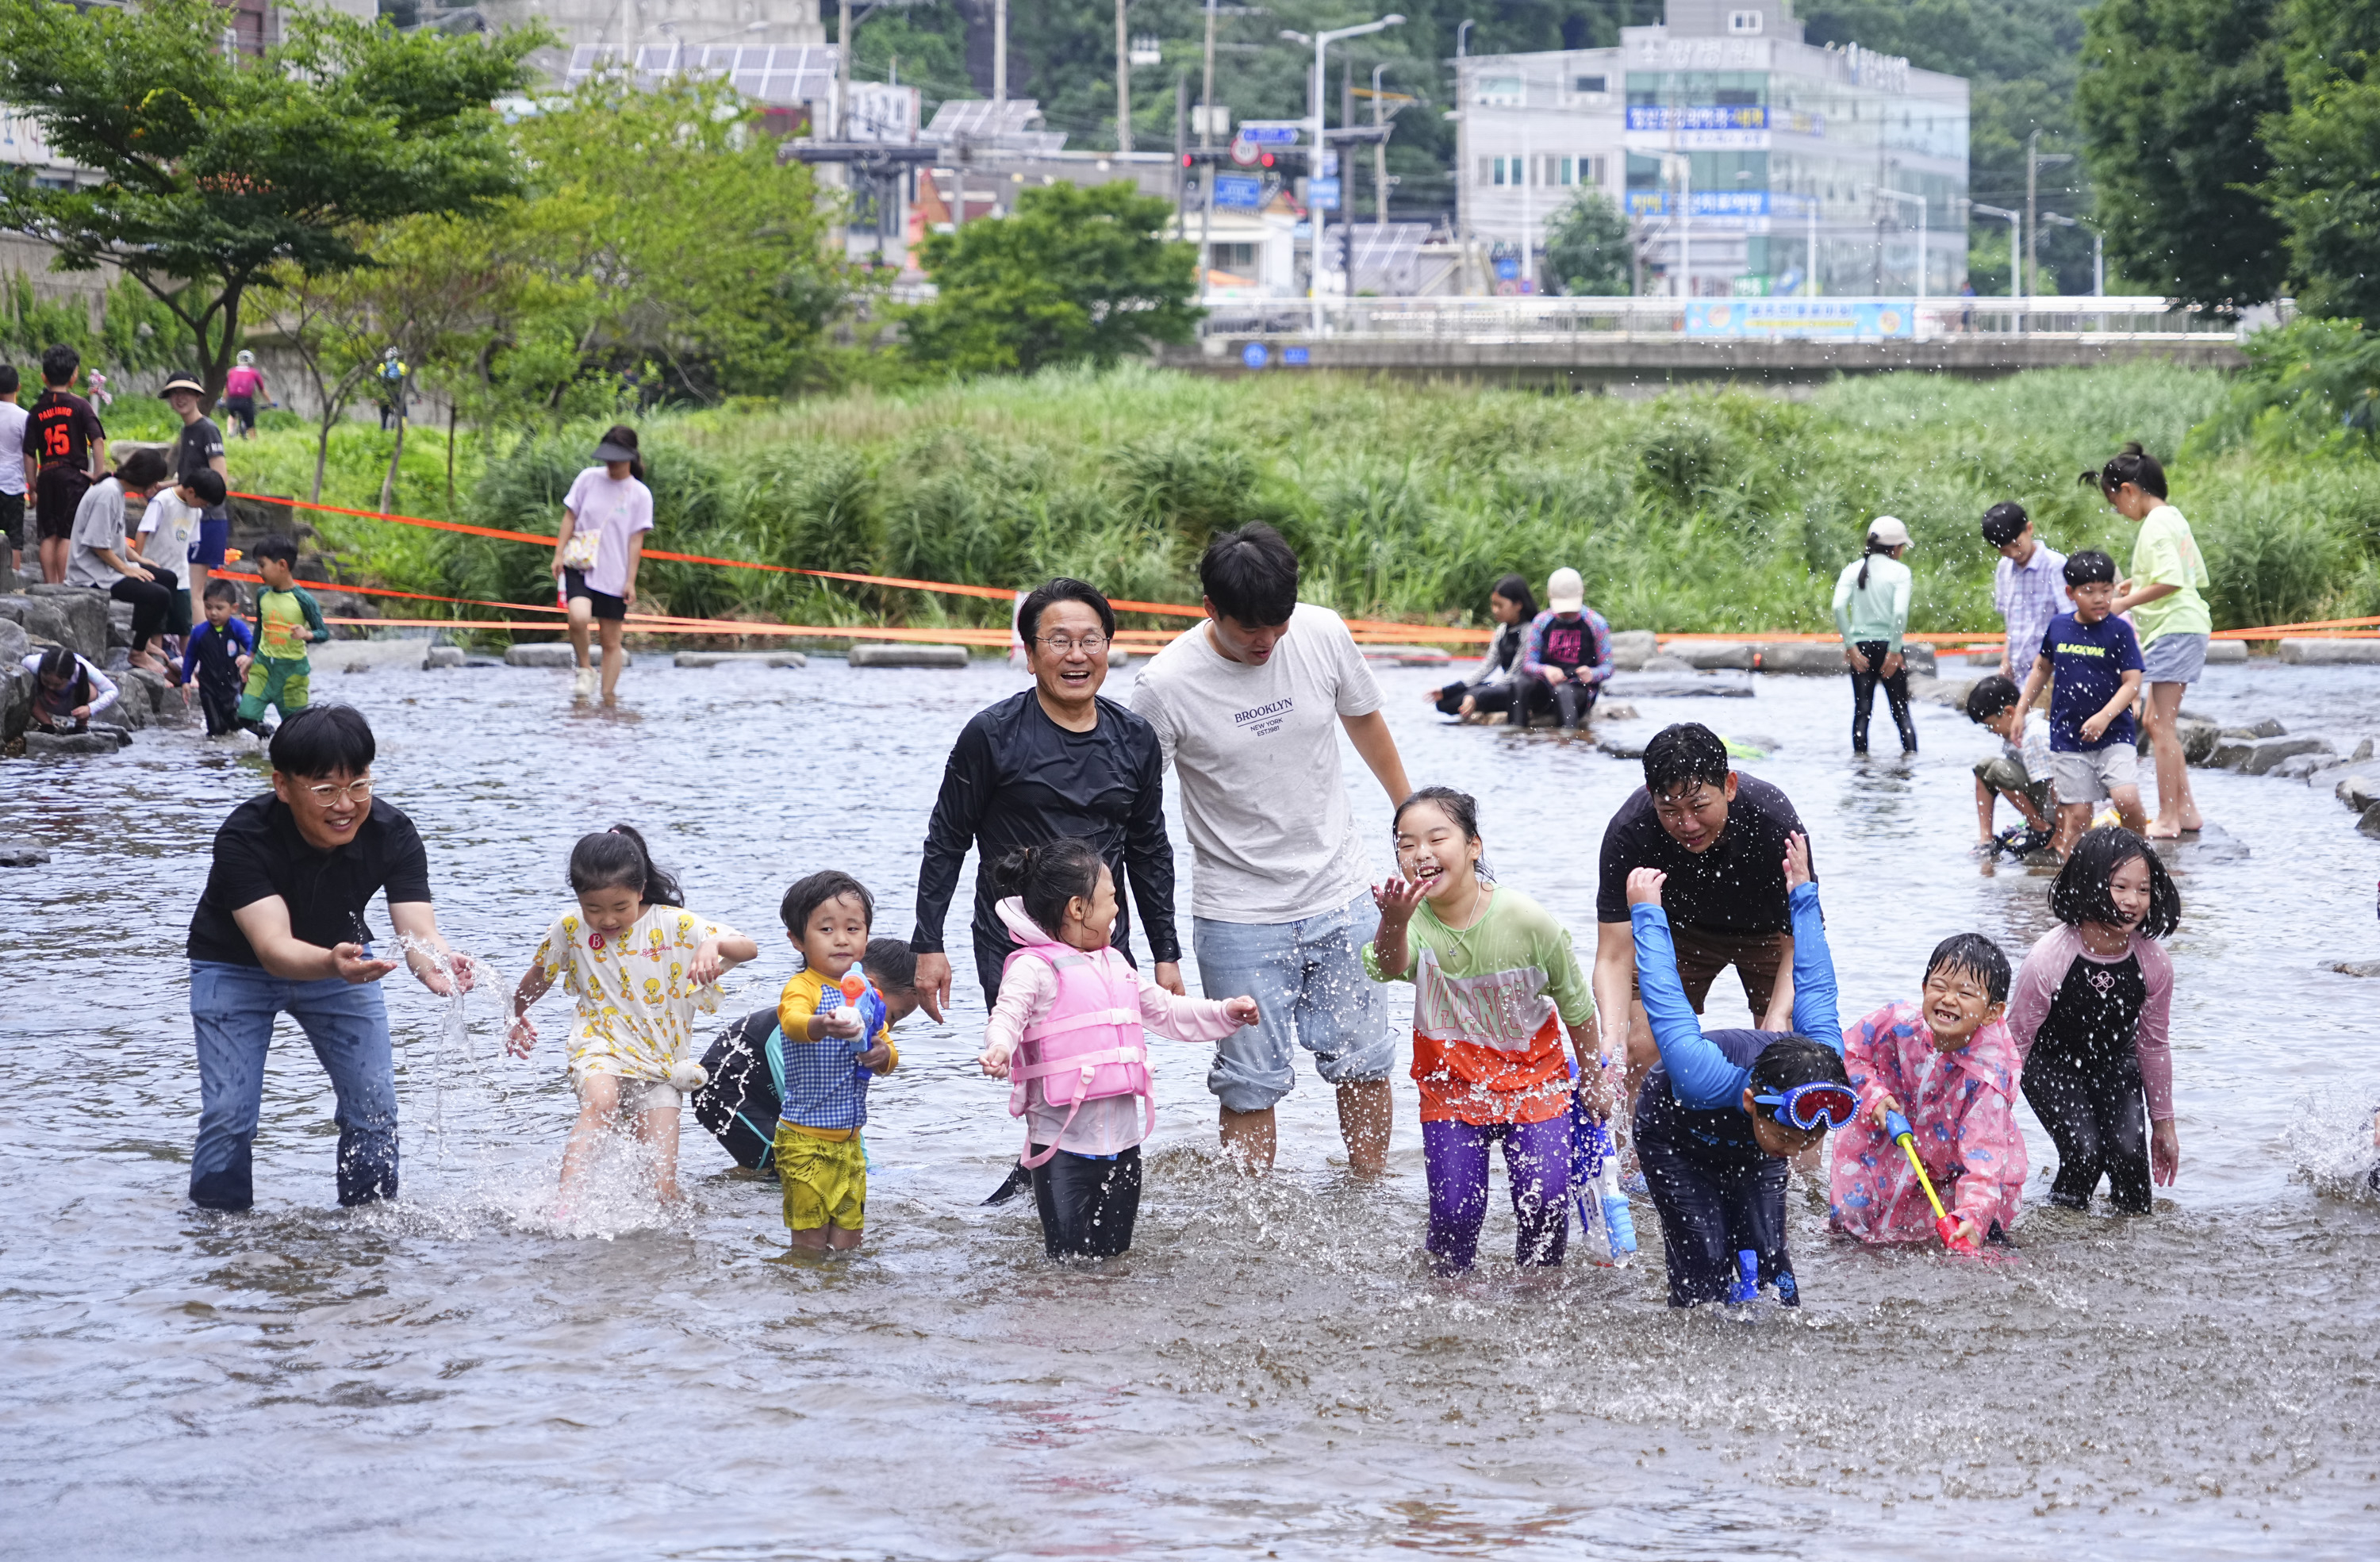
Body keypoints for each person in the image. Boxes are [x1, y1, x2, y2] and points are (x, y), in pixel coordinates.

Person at [1128, 521, 1413, 1175]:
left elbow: (1366, 722)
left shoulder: (1320, 632)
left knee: (1366, 1061)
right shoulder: (1164, 686)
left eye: (1277, 624)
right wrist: (1160, 944)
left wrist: (1410, 821)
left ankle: (1368, 1192)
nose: (1267, 640)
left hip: (1343, 892)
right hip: (1238, 915)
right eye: (1249, 629)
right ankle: (1249, 1225)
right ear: (1210, 610)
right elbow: (1137, 817)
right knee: (1249, 1080)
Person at [186, 705, 474, 1211]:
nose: (347, 805)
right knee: (231, 1112)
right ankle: (219, 1235)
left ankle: (368, 1230)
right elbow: (273, 947)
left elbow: (418, 927)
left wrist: (436, 962)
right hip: (234, 970)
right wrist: (331, 965)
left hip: (344, 968)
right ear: (282, 785)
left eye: (359, 784)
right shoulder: (244, 836)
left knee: (375, 1109)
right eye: (325, 790)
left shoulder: (392, 833)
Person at [912, 577, 1179, 1021]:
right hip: (1015, 945)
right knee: (1038, 1075)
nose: (1077, 655)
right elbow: (946, 841)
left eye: (1090, 640)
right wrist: (928, 943)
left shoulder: (1135, 739)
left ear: (1107, 648)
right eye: (1059, 641)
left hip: (1104, 944)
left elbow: (1149, 849)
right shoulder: (992, 735)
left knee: (1112, 1069)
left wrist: (1165, 953)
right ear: (1031, 657)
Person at [977, 839, 1258, 1259]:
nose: (1116, 911)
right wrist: (999, 1047)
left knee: (1115, 1260)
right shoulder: (1035, 968)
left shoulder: (1118, 966)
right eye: (1111, 900)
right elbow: (1007, 1013)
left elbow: (1168, 1012)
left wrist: (1227, 1013)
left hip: (1124, 1148)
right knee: (1068, 1264)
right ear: (1078, 908)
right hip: (1061, 1149)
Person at [1364, 787, 1605, 1274]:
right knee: (1454, 1219)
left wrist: (1596, 1080)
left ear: (1474, 845)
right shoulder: (1412, 920)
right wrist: (1393, 920)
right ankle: (1450, 1314)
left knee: (1545, 1211)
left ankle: (1536, 1303)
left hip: (1536, 1081)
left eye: (1437, 838)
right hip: (1450, 1088)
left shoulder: (1528, 921)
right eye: (1406, 844)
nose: (1421, 854)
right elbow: (1389, 966)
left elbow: (1577, 1008)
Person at [1626, 834, 1850, 1307]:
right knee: (1703, 1264)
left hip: (1748, 1140)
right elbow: (1667, 1002)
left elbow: (1815, 984)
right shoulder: (1699, 1072)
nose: (1797, 1152)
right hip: (1674, 1130)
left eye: (1808, 1139)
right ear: (1752, 1101)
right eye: (1791, 1141)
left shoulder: (1821, 1065)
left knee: (1770, 1264)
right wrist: (1648, 913)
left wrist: (1804, 895)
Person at [505, 826, 757, 1204]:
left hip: (660, 1065)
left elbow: (749, 948)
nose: (607, 920)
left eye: (620, 907)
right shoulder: (570, 929)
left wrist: (713, 943)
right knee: (601, 1102)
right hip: (599, 1048)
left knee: (660, 1191)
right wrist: (516, 1014)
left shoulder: (676, 925)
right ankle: (565, 1208)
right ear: (578, 898)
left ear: (640, 891)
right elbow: (541, 974)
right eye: (594, 909)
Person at [1593, 723, 1813, 1091]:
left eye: (1699, 806)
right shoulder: (1630, 831)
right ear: (1651, 795)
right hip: (1676, 932)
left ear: (1729, 785)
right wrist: (1612, 1036)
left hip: (1768, 936)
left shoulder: (1772, 822)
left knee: (1786, 1054)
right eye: (1670, 810)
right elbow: (1614, 954)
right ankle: (1638, 1148)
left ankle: (1776, 1146)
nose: (1688, 825)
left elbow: (1800, 941)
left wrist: (1776, 1016)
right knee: (1640, 1048)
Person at [2006, 827, 2182, 1215]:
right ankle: (2063, 1236)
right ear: (2088, 883)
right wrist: (1994, 1115)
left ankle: (2131, 1251)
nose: (2133, 901)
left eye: (2143, 889)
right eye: (2120, 886)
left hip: (2115, 1063)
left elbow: (2153, 1046)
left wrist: (2164, 1125)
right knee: (2085, 1153)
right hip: (2048, 1062)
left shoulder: (2154, 963)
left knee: (2129, 1158)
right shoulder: (2049, 959)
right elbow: (2013, 1043)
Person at [1829, 934, 2026, 1246]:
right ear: (1924, 989)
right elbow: (1848, 1053)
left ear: (1992, 1012)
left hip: (1947, 1167)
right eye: (1939, 986)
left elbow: (1984, 1158)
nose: (1948, 999)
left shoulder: (1987, 1078)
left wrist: (1971, 1217)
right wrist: (1874, 1095)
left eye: (1965, 992)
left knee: (1928, 1241)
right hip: (1881, 1142)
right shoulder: (1896, 1025)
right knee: (1851, 1232)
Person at [693, 939, 924, 1173]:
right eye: (893, 1016)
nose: (888, 1027)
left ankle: (743, 1194)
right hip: (724, 1090)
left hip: (768, 1093)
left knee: (818, 1160)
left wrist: (858, 1159)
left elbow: (843, 1104)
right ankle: (738, 1192)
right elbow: (809, 1101)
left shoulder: (858, 1031)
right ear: (870, 989)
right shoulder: (814, 1020)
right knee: (795, 1161)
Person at [2087, 444, 2211, 839]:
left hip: (2175, 628)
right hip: (2177, 627)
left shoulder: (2156, 523)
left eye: (2114, 501)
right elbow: (2184, 575)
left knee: (2160, 725)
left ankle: (2170, 817)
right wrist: (2133, 585)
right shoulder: (2171, 518)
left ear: (2129, 490)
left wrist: (2122, 601)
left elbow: (2173, 580)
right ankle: (2186, 811)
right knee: (2158, 723)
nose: (2118, 511)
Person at [774, 871, 899, 1252]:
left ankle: (843, 1307)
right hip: (804, 1140)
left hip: (850, 1142)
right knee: (810, 1241)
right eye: (826, 929)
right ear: (797, 939)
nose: (842, 939)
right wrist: (822, 1024)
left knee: (849, 1241)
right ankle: (807, 1304)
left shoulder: (868, 993)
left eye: (853, 928)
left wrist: (882, 1055)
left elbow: (887, 1045)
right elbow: (792, 1023)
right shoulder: (804, 988)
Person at [2017, 549, 2146, 856]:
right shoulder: (2060, 627)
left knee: (2126, 798)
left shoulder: (2120, 631)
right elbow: (2041, 668)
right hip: (2068, 737)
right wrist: (2022, 710)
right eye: (2089, 592)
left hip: (2115, 732)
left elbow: (2132, 684)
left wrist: (2104, 717)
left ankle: (2139, 855)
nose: (2099, 598)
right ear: (2070, 593)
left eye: (2106, 590)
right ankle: (2076, 879)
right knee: (2076, 817)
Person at [551, 424, 651, 703]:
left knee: (610, 641)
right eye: (607, 458)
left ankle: (608, 700)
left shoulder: (640, 495)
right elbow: (570, 517)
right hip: (580, 565)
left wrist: (630, 580)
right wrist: (558, 554)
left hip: (614, 574)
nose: (610, 464)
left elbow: (635, 542)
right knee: (578, 617)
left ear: (631, 457)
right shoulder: (587, 479)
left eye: (617, 459)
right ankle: (585, 669)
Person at [65, 447, 175, 674]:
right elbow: (97, 544)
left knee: (167, 578)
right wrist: (127, 569)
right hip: (91, 573)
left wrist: (139, 560)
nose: (156, 487)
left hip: (108, 566)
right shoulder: (107, 494)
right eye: (155, 482)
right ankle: (137, 653)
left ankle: (143, 640)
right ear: (145, 480)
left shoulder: (116, 490)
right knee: (158, 595)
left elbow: (114, 538)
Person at [1831, 516, 1917, 756]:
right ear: (1896, 548)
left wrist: (1850, 646)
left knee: (1862, 711)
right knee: (1901, 712)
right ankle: (1911, 763)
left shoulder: (1852, 569)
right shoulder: (1901, 572)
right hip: (1890, 647)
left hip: (1861, 650)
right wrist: (1895, 650)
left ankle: (1860, 768)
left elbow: (1838, 607)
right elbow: (1899, 611)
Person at [21, 343, 106, 586]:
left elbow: (29, 453)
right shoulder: (81, 406)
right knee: (68, 533)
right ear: (75, 375)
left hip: (47, 474)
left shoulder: (36, 411)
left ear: (43, 377)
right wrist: (97, 474)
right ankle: (66, 585)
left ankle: (50, 585)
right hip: (73, 476)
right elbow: (97, 440)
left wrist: (33, 486)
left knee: (48, 534)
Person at [237, 535, 330, 735]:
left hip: (292, 672)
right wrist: (250, 657)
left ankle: (287, 749)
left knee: (297, 729)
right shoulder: (263, 594)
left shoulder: (303, 599)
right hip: (263, 666)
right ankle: (269, 739)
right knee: (245, 716)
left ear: (282, 565)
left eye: (262, 565)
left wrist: (306, 634)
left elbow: (323, 633)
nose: (258, 571)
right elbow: (261, 628)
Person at [1964, 674, 2056, 853]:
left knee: (1997, 769)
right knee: (1984, 767)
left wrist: (2062, 831)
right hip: (2041, 802)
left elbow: (2054, 785)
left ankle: (2042, 828)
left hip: (2054, 810)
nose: (1990, 731)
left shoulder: (2035, 734)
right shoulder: (2017, 735)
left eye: (1990, 725)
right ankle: (1986, 839)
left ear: (2008, 712)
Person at [160, 370, 228, 610]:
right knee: (186, 587)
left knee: (194, 591)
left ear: (198, 396)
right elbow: (189, 482)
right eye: (175, 393)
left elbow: (219, 479)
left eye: (187, 392)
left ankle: (195, 648)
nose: (180, 398)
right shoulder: (187, 430)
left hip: (207, 518)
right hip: (190, 518)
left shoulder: (207, 429)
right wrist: (162, 488)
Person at [1516, 566, 1614, 731]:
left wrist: (1592, 674)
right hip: (1545, 688)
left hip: (1578, 690)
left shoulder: (1596, 623)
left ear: (1583, 593)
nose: (1567, 613)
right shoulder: (1541, 622)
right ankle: (1515, 733)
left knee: (1563, 691)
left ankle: (1569, 738)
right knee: (1519, 683)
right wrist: (1546, 670)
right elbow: (1528, 664)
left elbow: (1608, 668)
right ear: (1549, 596)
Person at [139, 466, 222, 654]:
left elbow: (189, 542)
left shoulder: (196, 511)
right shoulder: (163, 501)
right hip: (156, 571)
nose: (203, 507)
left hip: (181, 575)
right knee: (158, 624)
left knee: (185, 624)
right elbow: (143, 531)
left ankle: (187, 666)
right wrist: (139, 562)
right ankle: (158, 663)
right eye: (203, 502)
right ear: (191, 491)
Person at [1982, 501, 2067, 682]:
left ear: (2029, 529)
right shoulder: (2004, 568)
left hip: (2052, 671)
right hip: (2019, 671)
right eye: (2004, 550)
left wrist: (2045, 658)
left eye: (2017, 545)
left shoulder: (2055, 565)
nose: (2013, 554)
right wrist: (2006, 661)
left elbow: (2070, 619)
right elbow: (2011, 621)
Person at [1429, 573, 1534, 720]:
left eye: (1500, 605)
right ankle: (1478, 701)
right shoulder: (1502, 631)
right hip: (1502, 688)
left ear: (1518, 605)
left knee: (1478, 694)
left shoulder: (1530, 631)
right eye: (1493, 604)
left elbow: (1514, 675)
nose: (1495, 610)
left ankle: (1479, 701)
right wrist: (1449, 690)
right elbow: (1486, 667)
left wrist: (1478, 693)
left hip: (1523, 690)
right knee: (1444, 703)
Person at [180, 578, 255, 737]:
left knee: (236, 724)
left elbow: (252, 645)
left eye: (219, 608)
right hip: (208, 689)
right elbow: (190, 657)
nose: (213, 613)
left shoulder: (237, 628)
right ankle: (213, 759)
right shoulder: (199, 632)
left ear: (233, 608)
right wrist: (185, 680)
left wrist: (248, 657)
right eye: (208, 607)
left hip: (231, 687)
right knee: (215, 729)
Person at [21, 643, 119, 733]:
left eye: (57, 684)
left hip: (73, 706)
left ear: (70, 677)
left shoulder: (82, 668)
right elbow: (20, 669)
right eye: (46, 681)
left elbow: (112, 691)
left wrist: (90, 708)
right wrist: (43, 688)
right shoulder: (33, 663)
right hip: (42, 702)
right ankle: (47, 724)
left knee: (92, 690)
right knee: (26, 688)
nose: (51, 687)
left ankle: (81, 724)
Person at [0, 363, 25, 581]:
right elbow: (28, 453)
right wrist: (33, 487)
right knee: (15, 537)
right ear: (18, 387)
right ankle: (14, 581)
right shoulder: (23, 417)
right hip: (13, 485)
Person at [222, 350, 270, 439]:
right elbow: (262, 390)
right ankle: (253, 443)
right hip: (246, 401)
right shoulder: (254, 372)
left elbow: (227, 388)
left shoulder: (231, 371)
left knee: (232, 415)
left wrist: (223, 400)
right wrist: (270, 402)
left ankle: (230, 431)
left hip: (232, 400)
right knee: (250, 424)